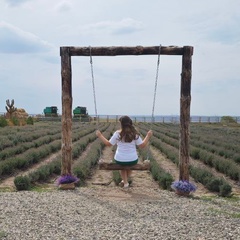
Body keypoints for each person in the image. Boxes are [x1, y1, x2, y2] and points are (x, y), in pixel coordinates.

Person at [96, 115, 153, 188]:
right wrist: (148, 136)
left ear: (121, 124)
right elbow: (142, 145)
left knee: (122, 166)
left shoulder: (117, 133)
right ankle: (124, 181)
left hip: (120, 159)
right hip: (133, 159)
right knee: (129, 165)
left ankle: (125, 183)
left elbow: (109, 144)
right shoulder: (134, 134)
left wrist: (100, 135)